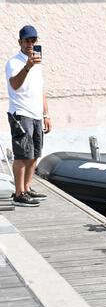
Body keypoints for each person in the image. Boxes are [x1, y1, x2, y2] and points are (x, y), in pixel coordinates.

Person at [5, 25, 52, 207]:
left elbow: (41, 91)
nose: (30, 44)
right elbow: (15, 85)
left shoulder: (37, 63)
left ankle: (27, 187)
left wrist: (46, 114)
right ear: (20, 42)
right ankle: (18, 194)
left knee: (34, 154)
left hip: (36, 114)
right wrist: (27, 67)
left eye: (33, 41)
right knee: (22, 154)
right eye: (27, 41)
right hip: (21, 113)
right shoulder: (14, 62)